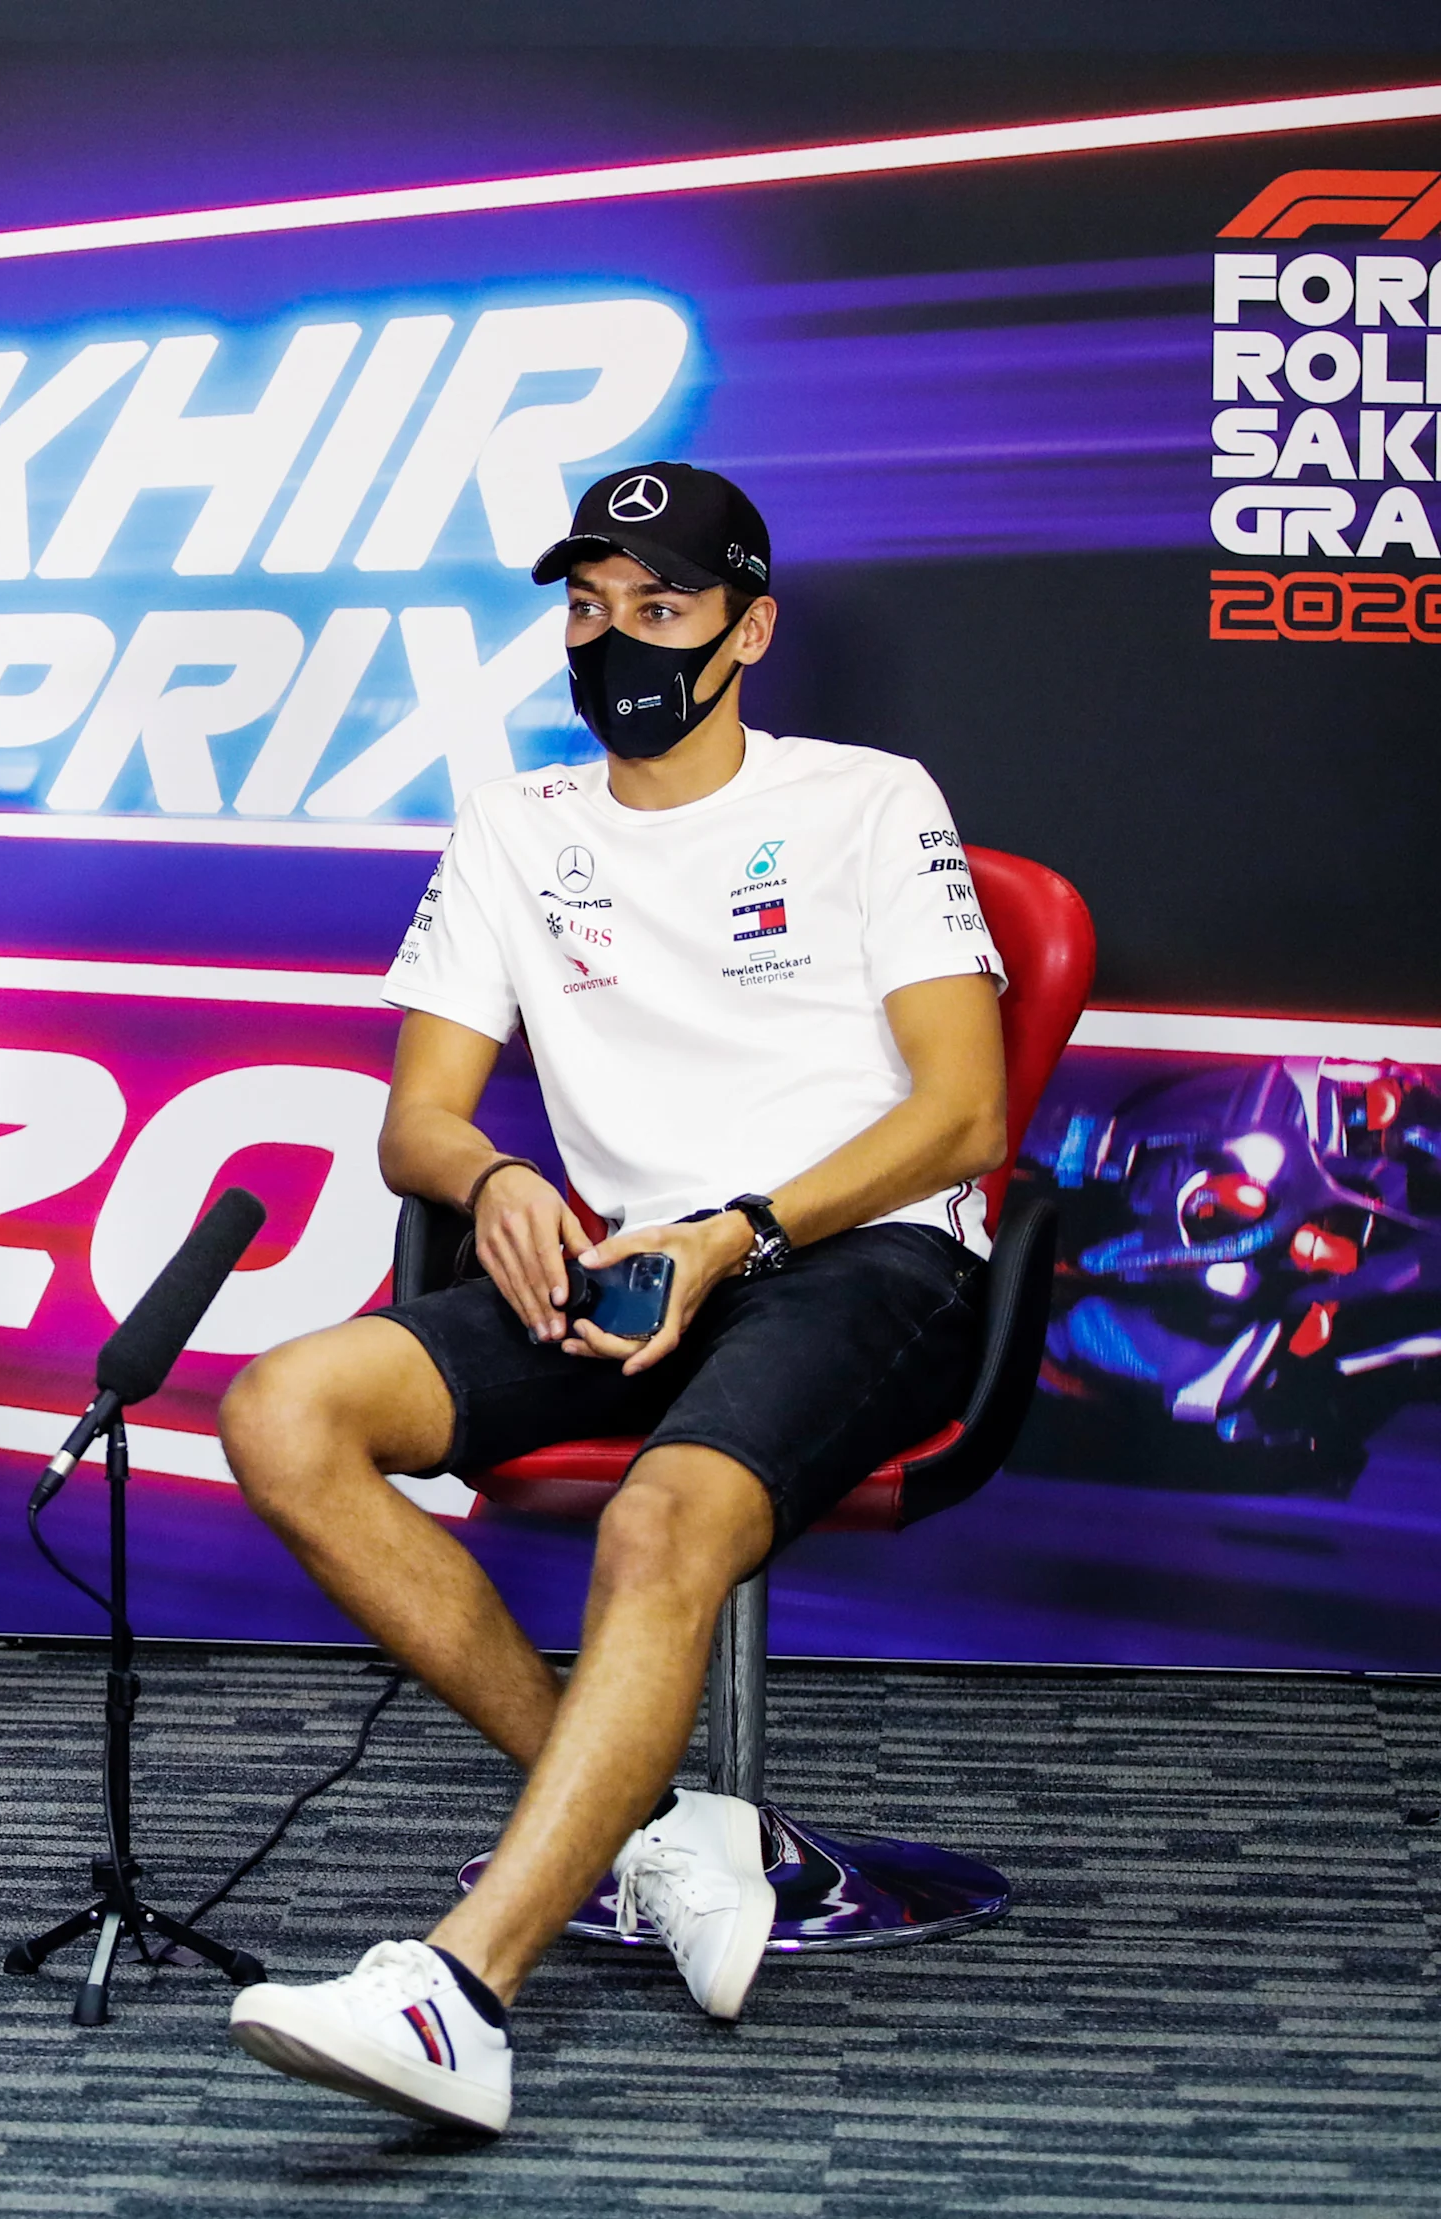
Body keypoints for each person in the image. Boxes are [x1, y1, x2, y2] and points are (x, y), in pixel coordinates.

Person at [215, 462, 1006, 2132]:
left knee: (663, 1525)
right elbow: (417, 1116)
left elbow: (963, 1114)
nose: (618, 641)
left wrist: (741, 1230)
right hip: (625, 1260)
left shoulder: (868, 800)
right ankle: (653, 1829)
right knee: (283, 1409)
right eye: (589, 609)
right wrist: (496, 1179)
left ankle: (458, 1992)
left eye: (662, 606)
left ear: (749, 626)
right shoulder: (517, 823)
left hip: (854, 1251)